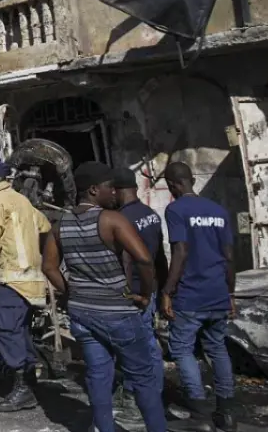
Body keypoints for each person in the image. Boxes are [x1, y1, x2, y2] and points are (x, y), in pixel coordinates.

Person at [42, 161, 165, 432]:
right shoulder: (111, 220)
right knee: (143, 376)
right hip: (117, 312)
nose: (114, 193)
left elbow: (49, 267)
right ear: (94, 190)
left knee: (98, 375)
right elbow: (144, 259)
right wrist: (145, 294)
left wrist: (71, 291)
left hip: (82, 313)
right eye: (110, 188)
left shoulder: (60, 225)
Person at [0, 158, 51, 412]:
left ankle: (24, 389)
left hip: (9, 277)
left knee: (6, 330)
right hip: (30, 278)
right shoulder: (21, 200)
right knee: (20, 330)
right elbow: (45, 226)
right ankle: (31, 383)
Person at [162, 161, 237, 432]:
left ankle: (199, 414)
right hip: (217, 291)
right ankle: (227, 414)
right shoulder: (218, 211)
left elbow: (180, 251)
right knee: (217, 348)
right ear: (192, 179)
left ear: (172, 184)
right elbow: (229, 257)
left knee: (182, 349)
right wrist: (230, 292)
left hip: (191, 295)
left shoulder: (175, 210)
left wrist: (167, 290)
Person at [111, 168, 169, 420]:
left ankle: (137, 397)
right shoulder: (151, 215)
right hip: (151, 288)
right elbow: (160, 258)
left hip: (133, 292)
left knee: (136, 346)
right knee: (147, 341)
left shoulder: (119, 219)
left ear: (115, 191)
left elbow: (125, 261)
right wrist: (165, 289)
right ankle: (152, 392)